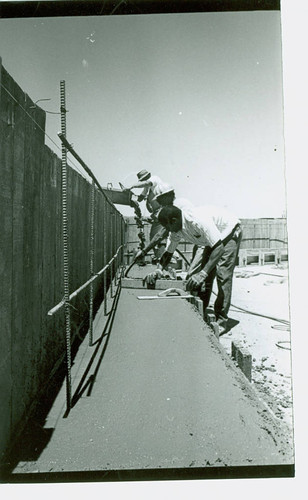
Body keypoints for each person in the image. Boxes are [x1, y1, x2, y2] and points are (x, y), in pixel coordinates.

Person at [157, 204, 242, 334]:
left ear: (174, 221)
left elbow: (219, 249)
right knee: (205, 274)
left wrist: (202, 274)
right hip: (213, 239)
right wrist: (159, 269)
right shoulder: (176, 228)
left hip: (229, 231)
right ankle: (202, 311)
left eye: (167, 226)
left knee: (222, 274)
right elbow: (169, 253)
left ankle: (221, 321)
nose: (168, 230)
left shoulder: (197, 221)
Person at [124, 170, 175, 260]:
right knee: (154, 236)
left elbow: (147, 183)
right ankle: (161, 258)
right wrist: (133, 196)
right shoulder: (148, 187)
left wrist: (132, 186)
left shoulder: (154, 179)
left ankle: (162, 260)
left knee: (158, 237)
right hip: (157, 214)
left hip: (162, 212)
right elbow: (141, 197)